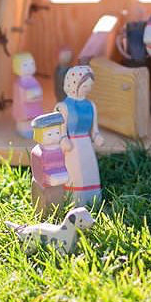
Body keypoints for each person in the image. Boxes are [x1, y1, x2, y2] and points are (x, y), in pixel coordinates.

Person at [56, 65, 104, 207]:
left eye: (90, 86)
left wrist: (97, 136)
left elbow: (94, 129)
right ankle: (75, 201)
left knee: (89, 170)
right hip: (72, 146)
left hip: (86, 144)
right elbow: (60, 129)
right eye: (85, 86)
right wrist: (63, 139)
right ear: (74, 84)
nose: (88, 89)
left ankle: (92, 198)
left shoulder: (91, 106)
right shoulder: (63, 106)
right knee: (75, 172)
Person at [11, 52, 42, 138]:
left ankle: (33, 130)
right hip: (24, 107)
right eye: (25, 65)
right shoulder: (19, 82)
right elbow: (21, 95)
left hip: (34, 105)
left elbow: (39, 89)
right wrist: (30, 94)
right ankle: (24, 131)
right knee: (24, 121)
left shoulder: (33, 80)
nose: (29, 68)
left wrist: (37, 93)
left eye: (32, 64)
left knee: (34, 119)